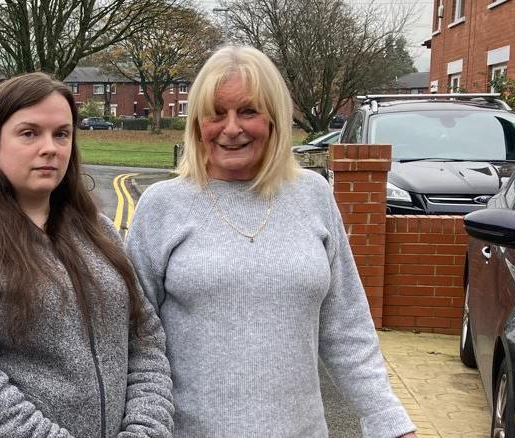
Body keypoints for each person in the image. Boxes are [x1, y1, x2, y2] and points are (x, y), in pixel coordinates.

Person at [125, 46, 417, 437]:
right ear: (197, 123)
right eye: (216, 113)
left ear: (275, 119)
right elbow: (136, 339)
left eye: (248, 111)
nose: (231, 128)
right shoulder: (162, 206)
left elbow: (346, 326)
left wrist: (389, 421)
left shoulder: (313, 195)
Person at [0, 72, 173, 438]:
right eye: (29, 133)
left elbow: (144, 339)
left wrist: (145, 430)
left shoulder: (99, 232)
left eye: (61, 134)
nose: (50, 147)